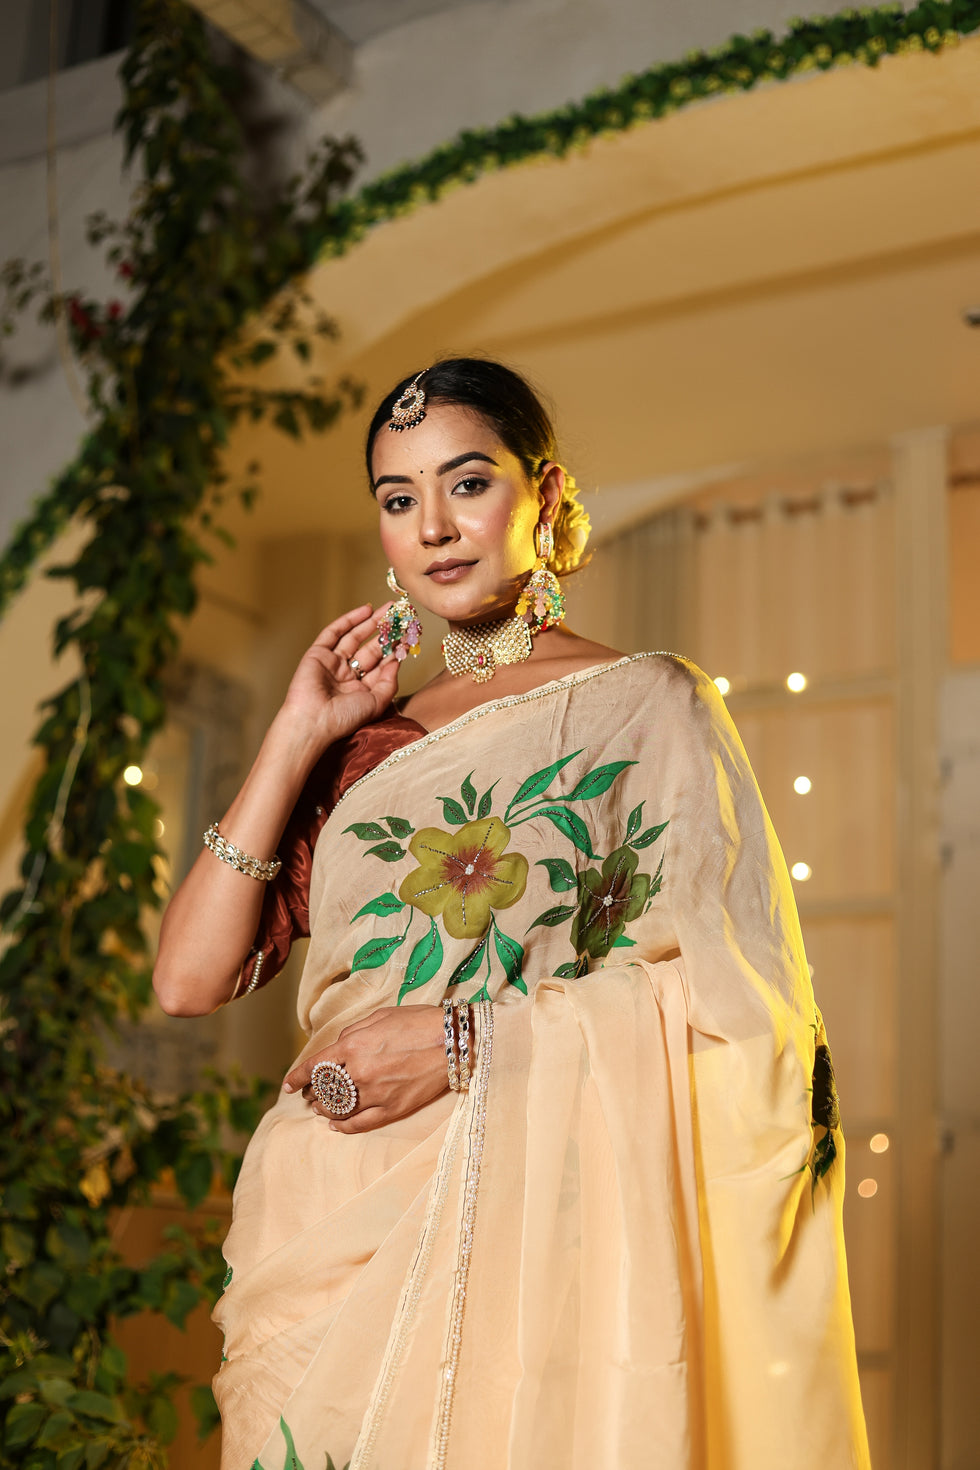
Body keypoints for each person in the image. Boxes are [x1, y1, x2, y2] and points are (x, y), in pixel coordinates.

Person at [153, 358, 870, 1470]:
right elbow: (186, 981)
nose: (434, 527)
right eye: (399, 499)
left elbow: (743, 1007)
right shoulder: (363, 746)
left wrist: (463, 1043)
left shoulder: (647, 706)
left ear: (547, 493)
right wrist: (297, 732)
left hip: (531, 1230)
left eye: (468, 483)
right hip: (317, 1228)